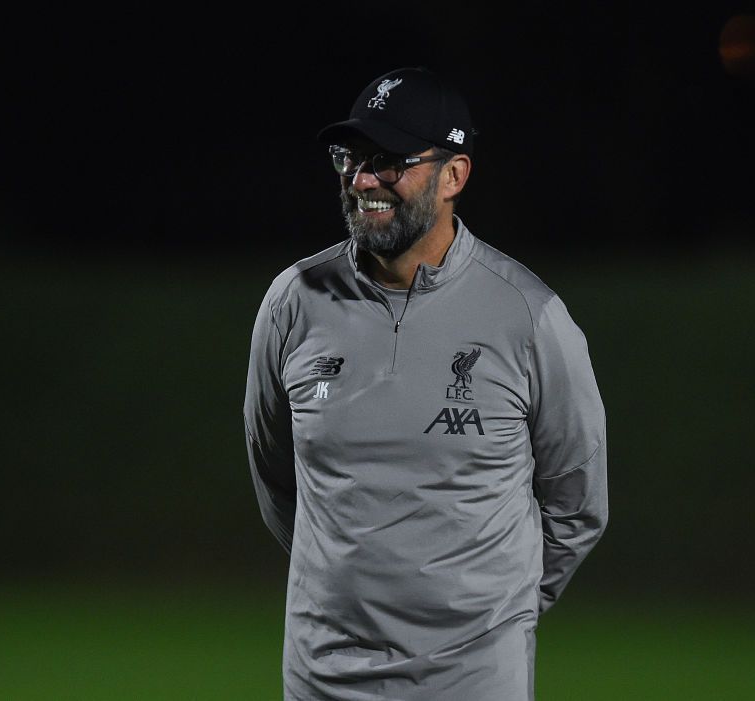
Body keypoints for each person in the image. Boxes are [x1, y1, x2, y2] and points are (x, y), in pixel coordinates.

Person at [242, 66, 608, 701]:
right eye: (351, 159)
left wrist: (492, 615)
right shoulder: (293, 302)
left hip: (473, 678)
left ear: (454, 175)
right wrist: (339, 591)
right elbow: (276, 475)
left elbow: (576, 504)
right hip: (324, 676)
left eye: (389, 162)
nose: (363, 181)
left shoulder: (528, 315)